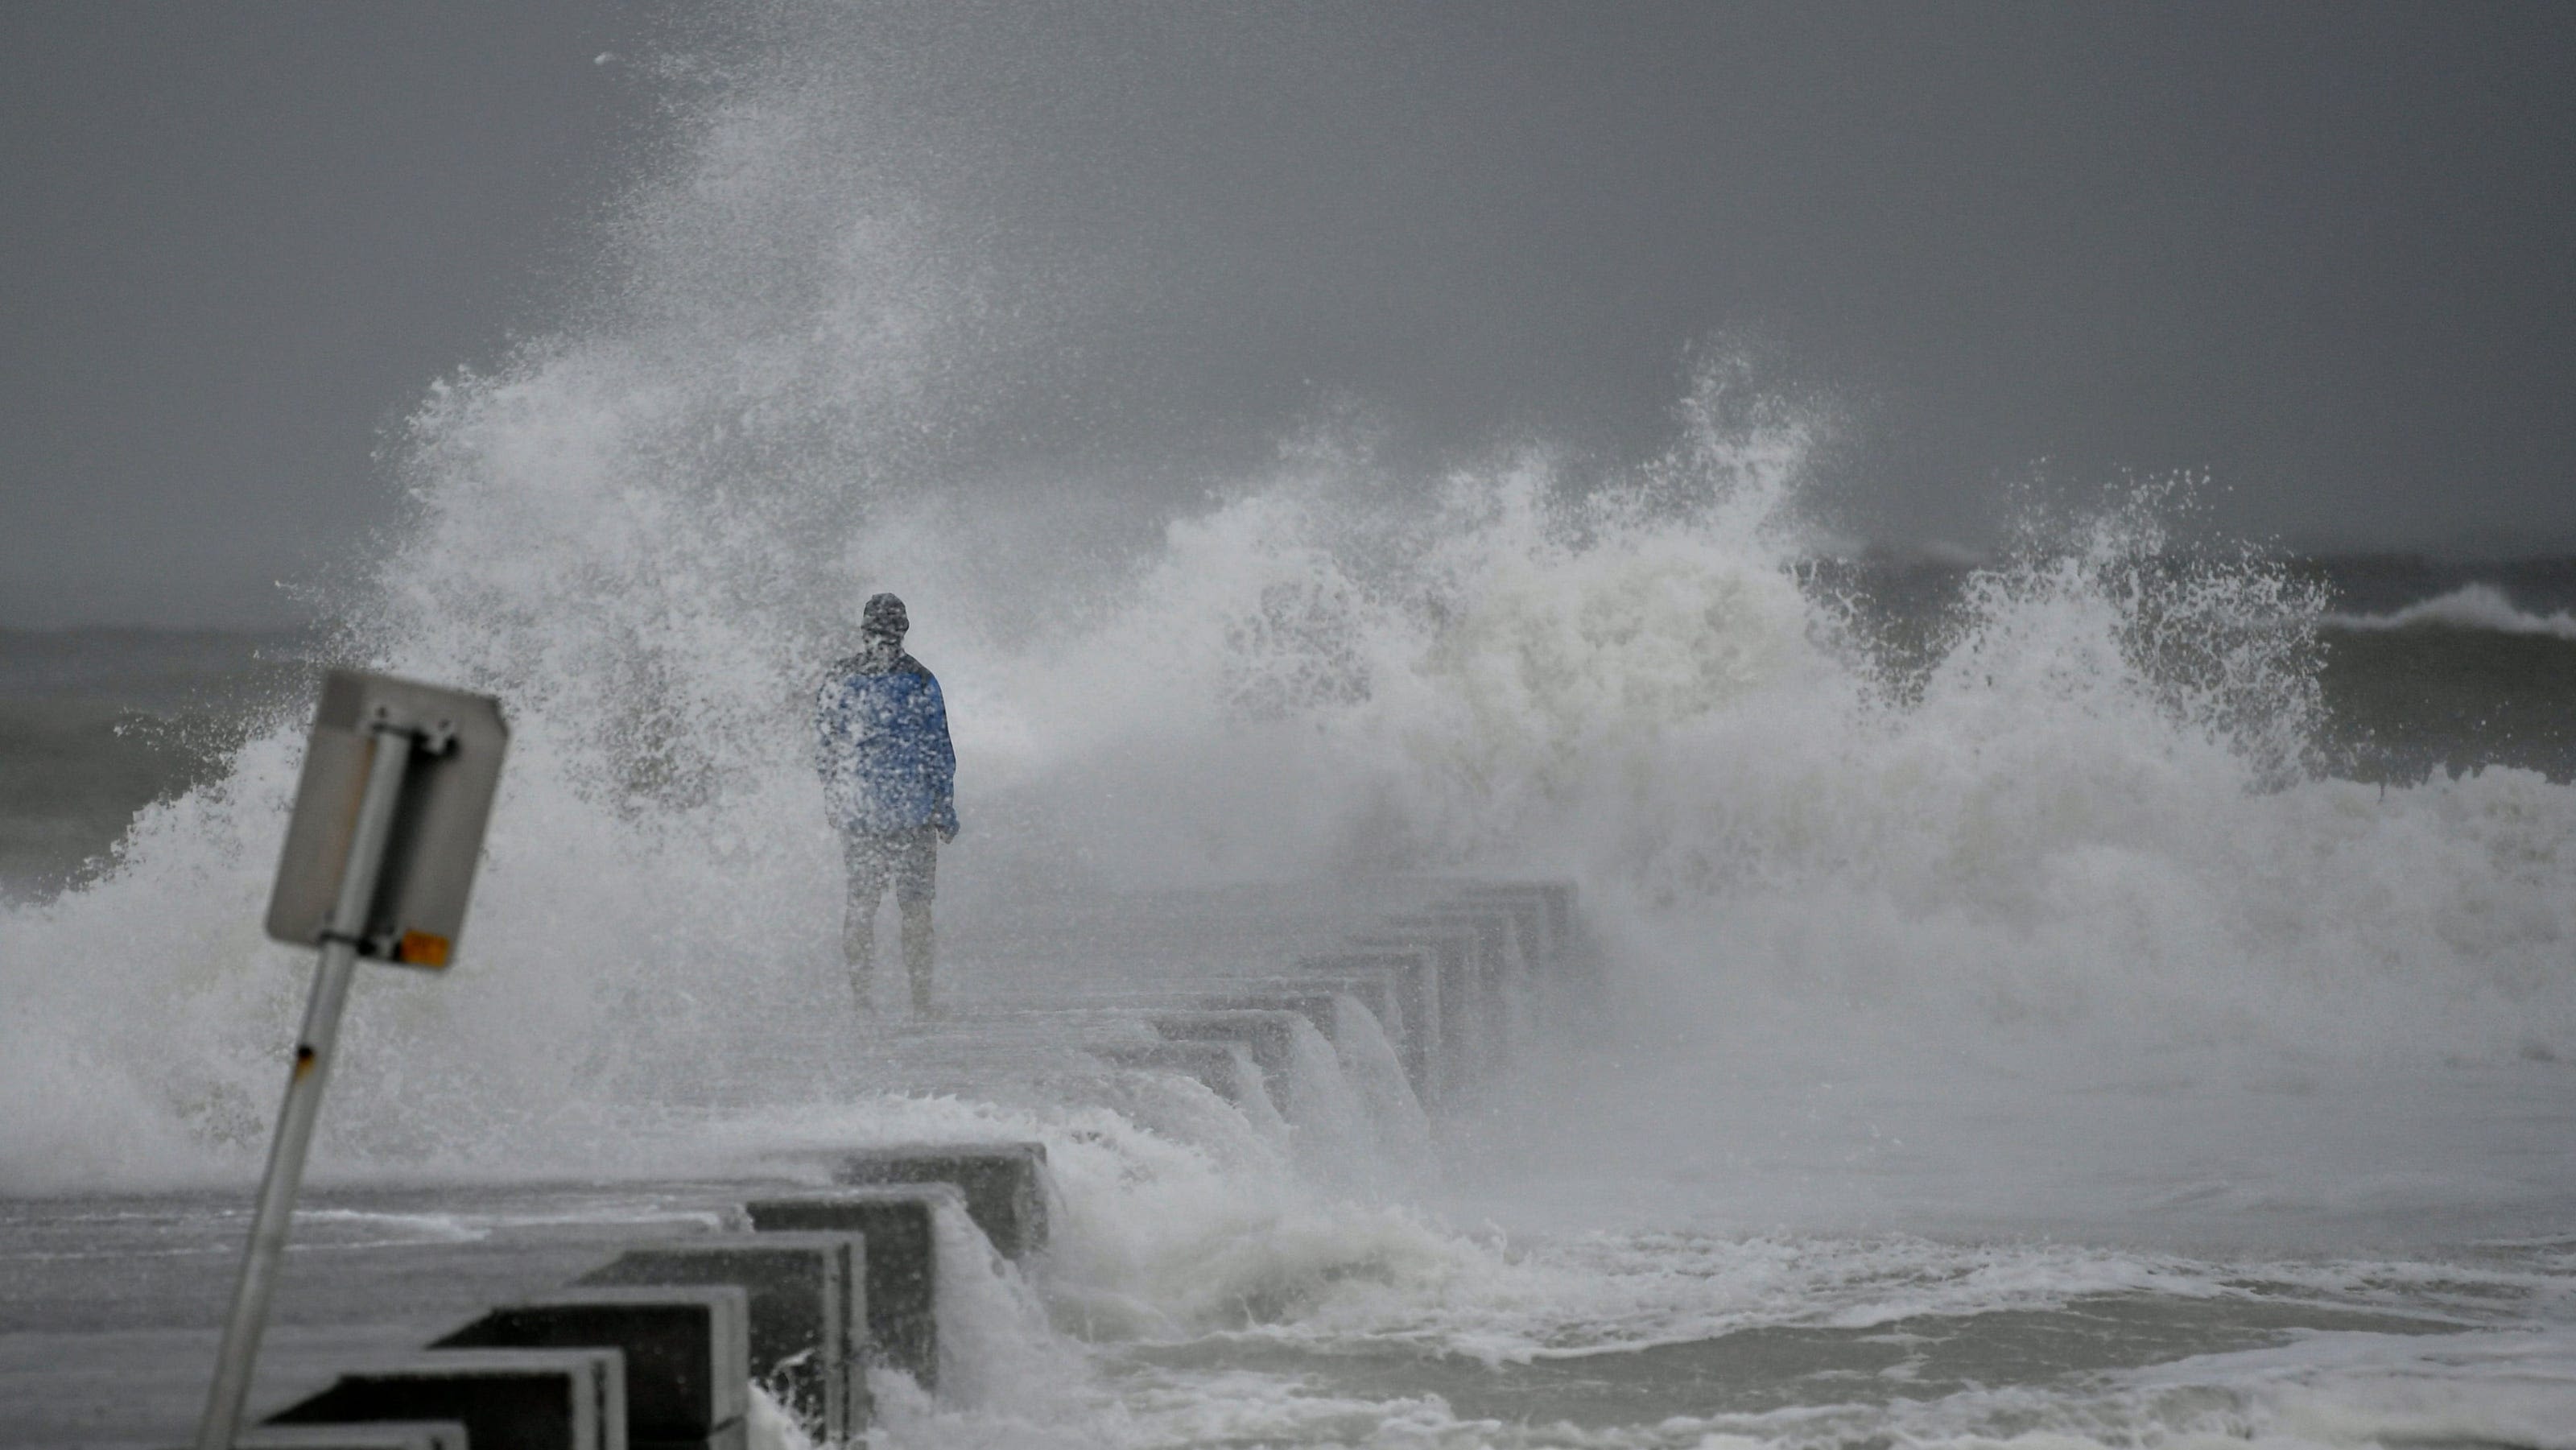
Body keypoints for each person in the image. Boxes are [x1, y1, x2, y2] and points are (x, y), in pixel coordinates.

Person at [814, 592, 958, 1015]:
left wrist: (836, 796)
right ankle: (921, 1003)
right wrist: (944, 809)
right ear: (905, 631)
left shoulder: (839, 680)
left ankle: (862, 1002)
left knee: (861, 905)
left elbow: (825, 746)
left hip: (860, 814)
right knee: (915, 909)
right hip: (912, 813)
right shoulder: (920, 680)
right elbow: (939, 750)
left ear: (863, 632)